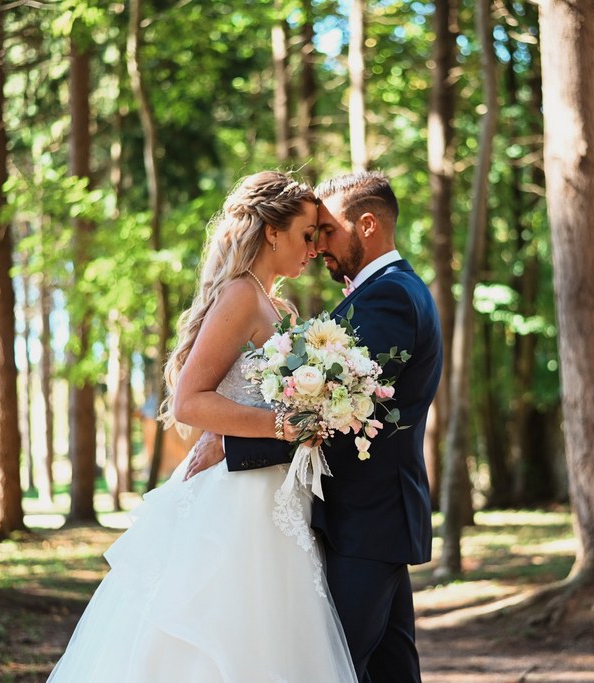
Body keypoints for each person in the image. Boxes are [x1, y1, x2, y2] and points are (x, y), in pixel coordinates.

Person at [46, 171, 357, 683]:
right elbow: (190, 401)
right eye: (306, 235)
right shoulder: (240, 295)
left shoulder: (279, 307)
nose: (313, 248)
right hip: (233, 500)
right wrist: (283, 425)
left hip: (279, 497)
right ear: (272, 232)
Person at [188, 171, 443, 683]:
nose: (318, 246)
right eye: (311, 232)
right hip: (367, 518)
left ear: (366, 225)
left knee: (331, 667)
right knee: (386, 668)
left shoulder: (389, 297)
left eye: (326, 231)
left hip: (367, 519)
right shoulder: (386, 291)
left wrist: (232, 444)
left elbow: (338, 410)